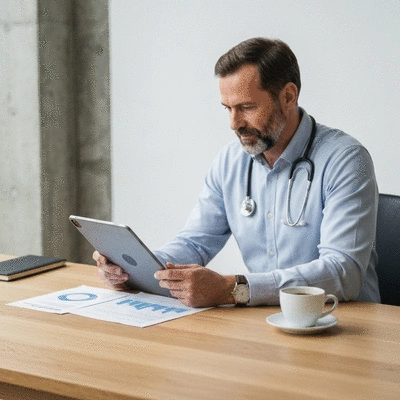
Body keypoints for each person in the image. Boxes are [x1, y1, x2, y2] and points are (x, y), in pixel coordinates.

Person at [94, 37, 380, 308]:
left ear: (288, 96)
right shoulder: (230, 161)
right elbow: (194, 243)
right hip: (268, 320)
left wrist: (234, 288)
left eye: (246, 107)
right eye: (228, 108)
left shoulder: (345, 160)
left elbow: (344, 273)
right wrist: (134, 269)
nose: (234, 123)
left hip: (343, 323)